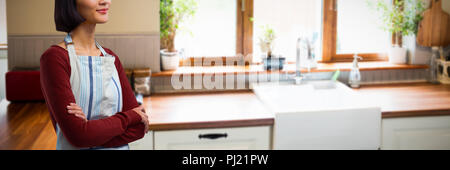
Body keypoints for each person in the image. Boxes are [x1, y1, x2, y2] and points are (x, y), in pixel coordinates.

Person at [40, 0, 150, 150]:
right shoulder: (54, 59)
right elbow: (78, 136)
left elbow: (138, 128)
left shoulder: (111, 58)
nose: (106, 1)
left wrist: (89, 132)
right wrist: (129, 117)